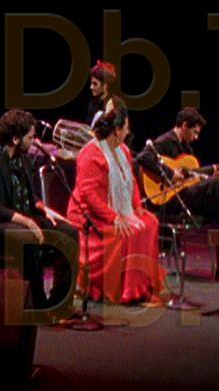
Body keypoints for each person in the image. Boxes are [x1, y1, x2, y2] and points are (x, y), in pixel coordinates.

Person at [0, 109, 78, 310]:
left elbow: (31, 197)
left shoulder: (24, 159)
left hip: (21, 218)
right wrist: (28, 222)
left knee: (68, 232)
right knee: (26, 236)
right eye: (31, 137)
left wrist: (46, 211)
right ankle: (37, 305)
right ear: (16, 139)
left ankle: (60, 302)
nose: (35, 142)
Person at [136, 107, 219, 282]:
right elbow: (142, 158)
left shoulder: (187, 150)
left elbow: (193, 180)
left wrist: (213, 177)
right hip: (167, 200)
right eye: (194, 132)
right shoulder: (165, 141)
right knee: (214, 186)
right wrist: (170, 173)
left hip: (186, 198)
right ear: (184, 125)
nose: (196, 137)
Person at [67, 107, 165, 304]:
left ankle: (142, 286)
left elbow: (132, 182)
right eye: (125, 128)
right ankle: (125, 290)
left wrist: (136, 209)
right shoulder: (90, 154)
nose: (128, 132)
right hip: (90, 216)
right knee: (129, 230)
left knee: (150, 222)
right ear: (116, 131)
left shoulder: (124, 151)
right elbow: (89, 195)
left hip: (119, 209)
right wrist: (114, 218)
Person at [86, 60, 127, 128]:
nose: (91, 87)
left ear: (105, 85)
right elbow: (88, 129)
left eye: (95, 84)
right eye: (91, 83)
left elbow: (120, 128)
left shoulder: (117, 104)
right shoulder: (93, 104)